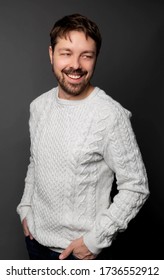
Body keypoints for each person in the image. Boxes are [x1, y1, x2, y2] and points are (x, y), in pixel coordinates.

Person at [17, 13, 149, 260]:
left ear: (95, 58)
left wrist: (95, 240)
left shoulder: (110, 115)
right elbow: (37, 162)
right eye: (66, 53)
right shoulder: (39, 106)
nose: (75, 65)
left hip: (80, 254)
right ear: (51, 54)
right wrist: (25, 208)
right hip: (35, 242)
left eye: (86, 55)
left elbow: (136, 187)